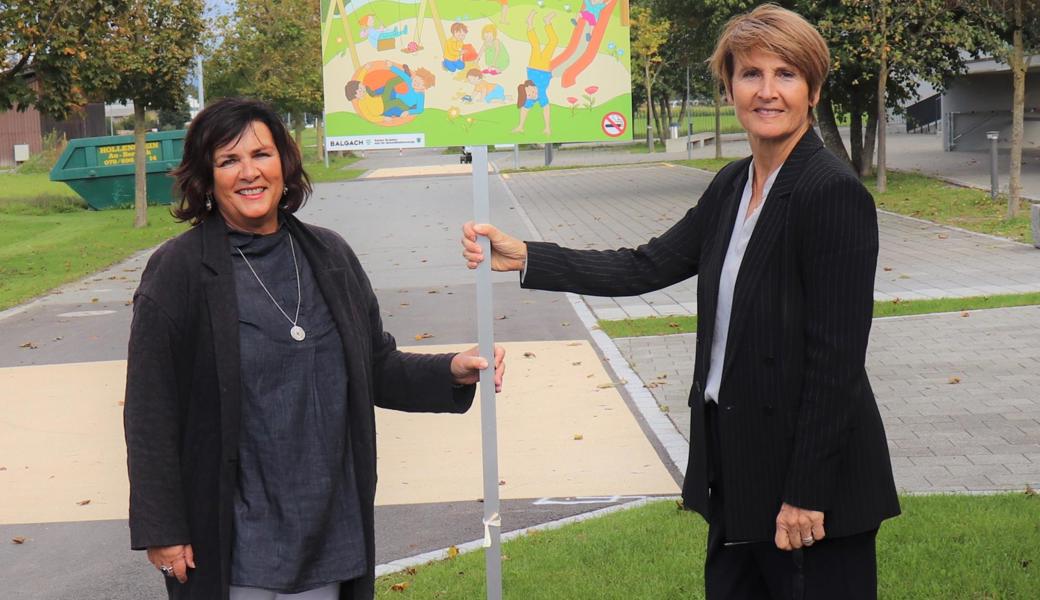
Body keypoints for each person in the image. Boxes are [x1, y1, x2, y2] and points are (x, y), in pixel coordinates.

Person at [462, 4, 899, 598]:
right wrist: (527, 257)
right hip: (737, 467)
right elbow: (646, 264)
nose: (767, 92)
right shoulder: (732, 184)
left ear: (813, 90)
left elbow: (836, 365)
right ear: (730, 86)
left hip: (809, 485)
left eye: (786, 75)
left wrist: (805, 495)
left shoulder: (831, 193)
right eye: (751, 74)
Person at [125, 97, 505, 600]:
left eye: (261, 154)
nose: (248, 173)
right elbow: (150, 410)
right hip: (236, 538)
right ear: (206, 178)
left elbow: (374, 365)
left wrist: (451, 370)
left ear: (284, 161)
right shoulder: (179, 271)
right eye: (228, 160)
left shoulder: (329, 255)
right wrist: (162, 529)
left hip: (328, 530)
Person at [512, 10, 557, 135]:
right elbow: (546, 110)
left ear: (529, 85)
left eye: (531, 92)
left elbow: (524, 110)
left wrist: (521, 125)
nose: (534, 93)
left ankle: (530, 23)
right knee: (553, 42)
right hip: (545, 67)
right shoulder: (541, 96)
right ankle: (547, 23)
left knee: (536, 45)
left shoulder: (531, 83)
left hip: (534, 66)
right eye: (532, 95)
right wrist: (547, 127)